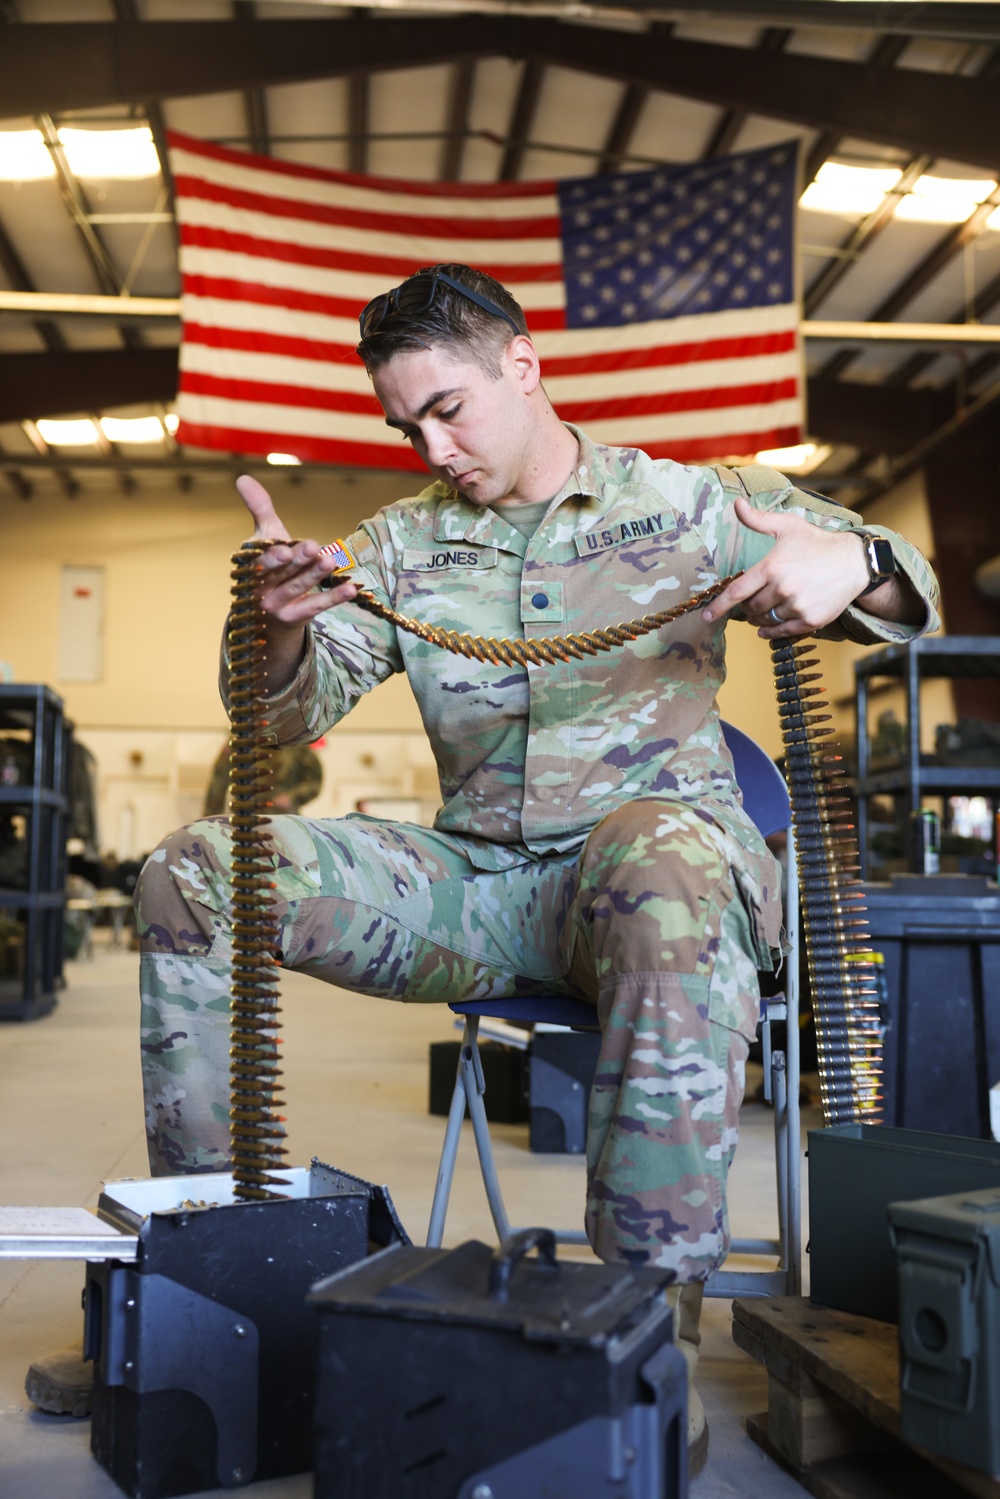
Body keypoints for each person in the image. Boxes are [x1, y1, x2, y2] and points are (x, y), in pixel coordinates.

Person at [33, 266, 940, 1463]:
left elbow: (898, 590)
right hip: (479, 886)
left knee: (662, 870)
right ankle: (202, 1301)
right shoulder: (400, 547)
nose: (434, 443)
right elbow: (279, 721)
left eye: (449, 406)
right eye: (408, 424)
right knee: (195, 867)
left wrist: (849, 566)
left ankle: (633, 1358)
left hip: (657, 875)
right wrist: (282, 621)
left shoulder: (686, 501)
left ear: (522, 362)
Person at [202, 740, 323, 816]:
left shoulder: (296, 743)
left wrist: (291, 797)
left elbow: (314, 782)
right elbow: (218, 783)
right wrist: (210, 820)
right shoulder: (240, 742)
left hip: (283, 820)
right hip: (246, 817)